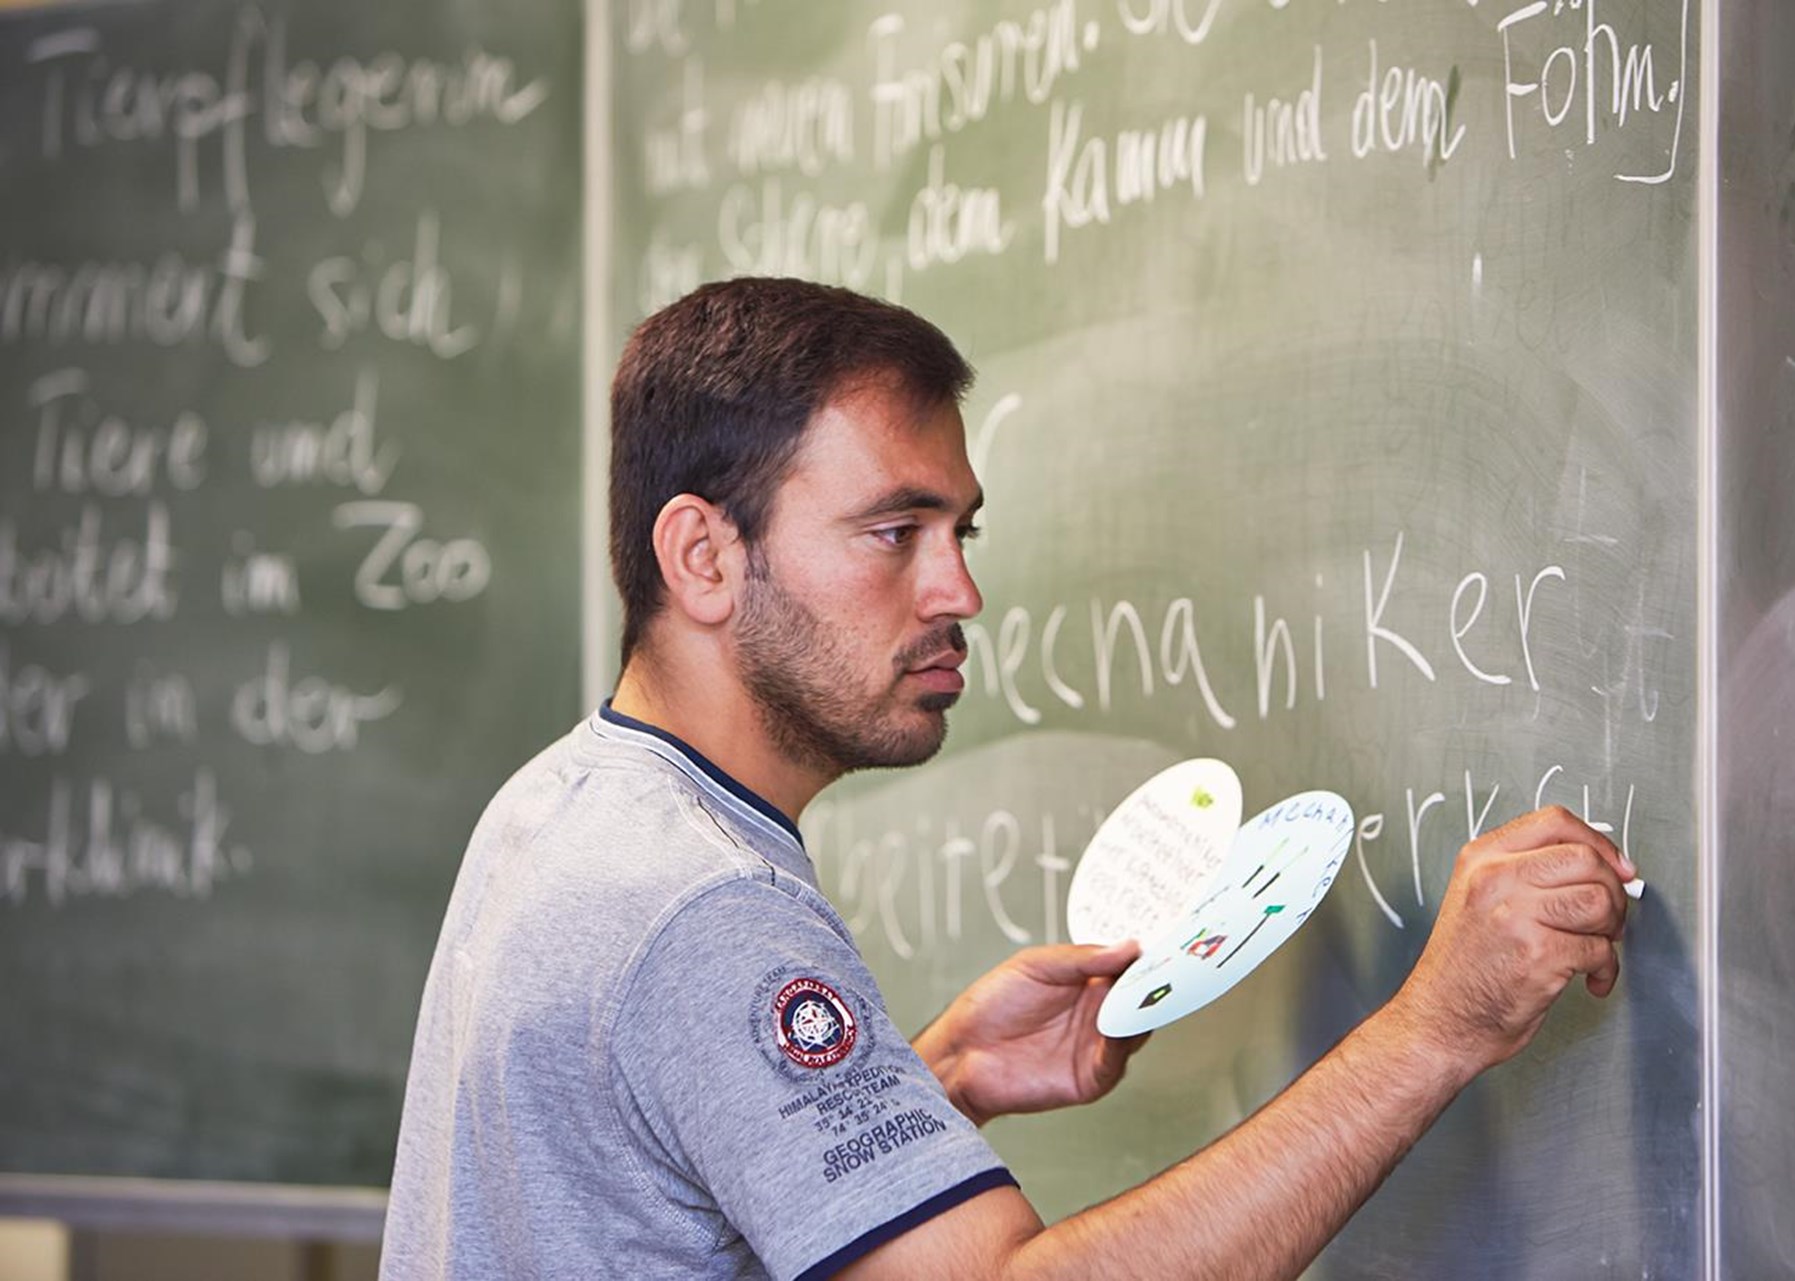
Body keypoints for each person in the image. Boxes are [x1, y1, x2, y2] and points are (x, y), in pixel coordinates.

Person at [381, 277, 1636, 1281]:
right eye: (894, 533)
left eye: (959, 533)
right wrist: (1434, 1031)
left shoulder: (562, 803)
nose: (958, 592)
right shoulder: (704, 909)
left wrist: (940, 1081)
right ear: (703, 554)